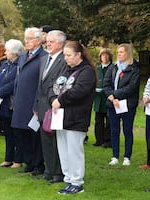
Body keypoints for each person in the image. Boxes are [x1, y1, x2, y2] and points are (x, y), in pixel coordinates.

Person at [50, 41, 96, 194]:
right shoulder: (65, 69)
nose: (66, 58)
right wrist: (52, 99)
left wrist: (60, 100)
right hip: (60, 117)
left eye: (69, 55)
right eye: (64, 55)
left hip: (76, 118)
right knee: (63, 150)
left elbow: (79, 91)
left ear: (79, 55)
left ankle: (77, 182)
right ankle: (68, 179)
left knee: (74, 151)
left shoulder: (87, 71)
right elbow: (53, 86)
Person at [11, 27, 47, 175]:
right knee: (21, 133)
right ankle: (29, 162)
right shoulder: (23, 56)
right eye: (26, 39)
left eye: (30, 39)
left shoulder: (44, 57)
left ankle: (38, 165)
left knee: (35, 135)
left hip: (33, 101)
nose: (27, 41)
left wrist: (37, 103)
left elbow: (42, 83)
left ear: (38, 40)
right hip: (20, 101)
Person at [35, 30, 66, 184]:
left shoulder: (64, 60)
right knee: (45, 140)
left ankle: (58, 173)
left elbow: (61, 84)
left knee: (56, 141)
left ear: (60, 44)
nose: (48, 43)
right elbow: (39, 85)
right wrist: (36, 104)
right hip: (42, 107)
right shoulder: (44, 59)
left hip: (55, 106)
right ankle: (49, 170)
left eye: (52, 41)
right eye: (47, 41)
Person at [103, 43, 140, 166]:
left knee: (127, 130)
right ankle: (115, 156)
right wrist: (111, 97)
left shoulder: (134, 69)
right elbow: (106, 84)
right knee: (114, 130)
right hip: (113, 104)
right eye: (118, 52)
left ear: (128, 53)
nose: (119, 54)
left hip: (127, 104)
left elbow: (131, 87)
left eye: (122, 52)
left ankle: (126, 157)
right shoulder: (113, 68)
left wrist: (115, 95)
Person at [0, 39, 24, 168]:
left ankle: (18, 159)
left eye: (8, 50)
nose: (5, 52)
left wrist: (1, 92)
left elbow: (14, 82)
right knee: (7, 132)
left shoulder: (19, 65)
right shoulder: (5, 64)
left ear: (15, 52)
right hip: (3, 104)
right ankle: (8, 158)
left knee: (17, 133)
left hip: (12, 103)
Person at [93, 48, 113, 147]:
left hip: (108, 97)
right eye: (102, 55)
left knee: (109, 120)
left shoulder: (113, 68)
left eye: (106, 55)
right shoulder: (97, 68)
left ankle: (107, 140)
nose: (104, 57)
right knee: (98, 120)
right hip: (98, 98)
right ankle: (99, 139)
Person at [140, 73, 150, 169]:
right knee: (148, 136)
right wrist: (145, 95)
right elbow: (148, 85)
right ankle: (149, 162)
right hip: (149, 110)